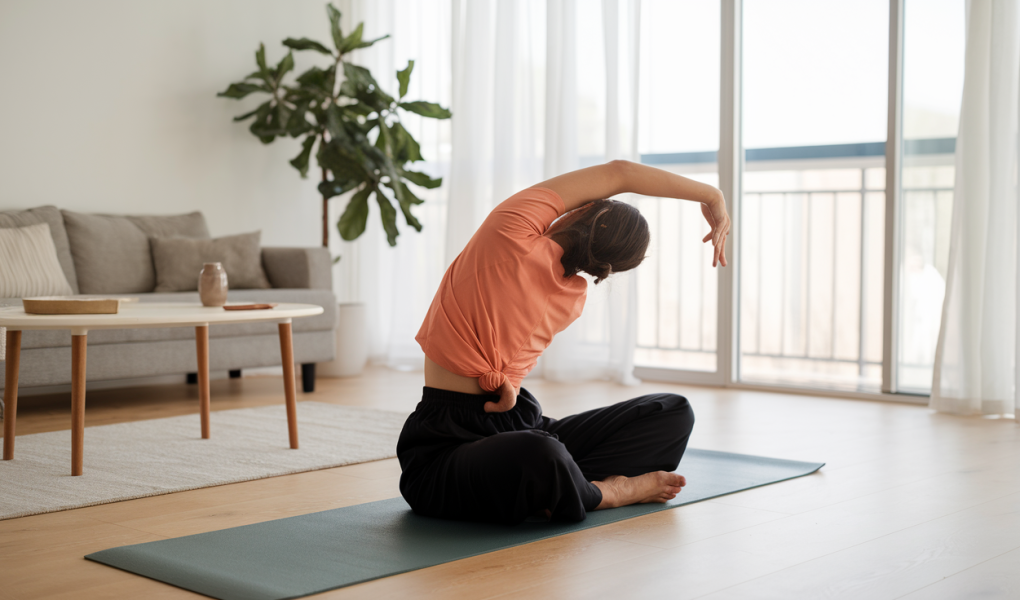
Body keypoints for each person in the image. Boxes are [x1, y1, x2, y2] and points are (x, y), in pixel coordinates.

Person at [396, 160, 731, 525]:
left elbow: (619, 173)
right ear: (611, 267)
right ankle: (599, 492)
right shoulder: (573, 295)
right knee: (667, 414)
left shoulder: (509, 229)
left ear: (583, 209)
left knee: (553, 449)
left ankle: (558, 488)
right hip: (458, 449)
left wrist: (712, 196)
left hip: (490, 434)